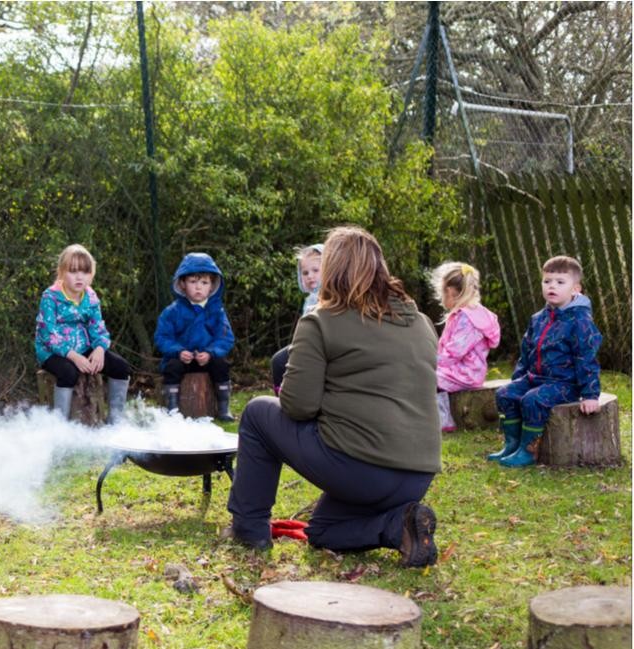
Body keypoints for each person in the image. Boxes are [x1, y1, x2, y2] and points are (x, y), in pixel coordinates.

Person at [226, 226, 441, 568]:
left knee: (257, 413)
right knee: (323, 531)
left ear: (332, 270)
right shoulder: (422, 322)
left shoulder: (321, 321)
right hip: (417, 476)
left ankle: (248, 529)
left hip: (360, 469)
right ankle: (398, 525)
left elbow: (298, 406)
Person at [489, 255, 602, 467]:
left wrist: (590, 394)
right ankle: (512, 444)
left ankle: (528, 450)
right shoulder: (538, 318)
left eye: (560, 282)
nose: (552, 286)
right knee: (505, 394)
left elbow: (586, 358)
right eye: (547, 281)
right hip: (535, 378)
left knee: (532, 400)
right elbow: (526, 352)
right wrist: (518, 379)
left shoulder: (580, 321)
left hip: (565, 383)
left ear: (575, 289)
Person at [34, 244, 131, 424]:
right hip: (53, 352)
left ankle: (115, 423)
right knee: (68, 372)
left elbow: (98, 327)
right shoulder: (51, 297)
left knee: (121, 367)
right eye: (73, 271)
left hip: (83, 347)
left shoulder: (91, 297)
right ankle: (59, 426)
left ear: (91, 274)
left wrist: (100, 348)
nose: (79, 277)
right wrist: (73, 356)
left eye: (85, 272)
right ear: (62, 273)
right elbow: (48, 334)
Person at [154, 252, 236, 422]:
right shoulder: (172, 311)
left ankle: (223, 407)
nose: (198, 287)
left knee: (221, 365)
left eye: (204, 283)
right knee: (171, 367)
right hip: (183, 359)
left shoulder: (217, 311)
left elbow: (226, 338)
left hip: (207, 359)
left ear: (212, 286)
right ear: (182, 284)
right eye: (193, 282)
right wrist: (178, 351)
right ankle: (172, 408)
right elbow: (162, 337)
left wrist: (210, 353)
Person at [430, 262, 500, 432]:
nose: (441, 298)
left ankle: (444, 421)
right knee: (429, 374)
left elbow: (454, 352)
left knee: (429, 378)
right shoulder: (471, 314)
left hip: (465, 373)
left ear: (449, 292)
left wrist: (430, 361)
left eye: (441, 293)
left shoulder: (467, 319)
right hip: (467, 370)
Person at [270, 244, 323, 393]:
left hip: (319, 347)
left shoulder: (329, 296)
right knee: (278, 361)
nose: (310, 276)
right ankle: (282, 395)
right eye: (305, 273)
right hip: (305, 344)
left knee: (281, 362)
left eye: (315, 270)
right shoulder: (310, 299)